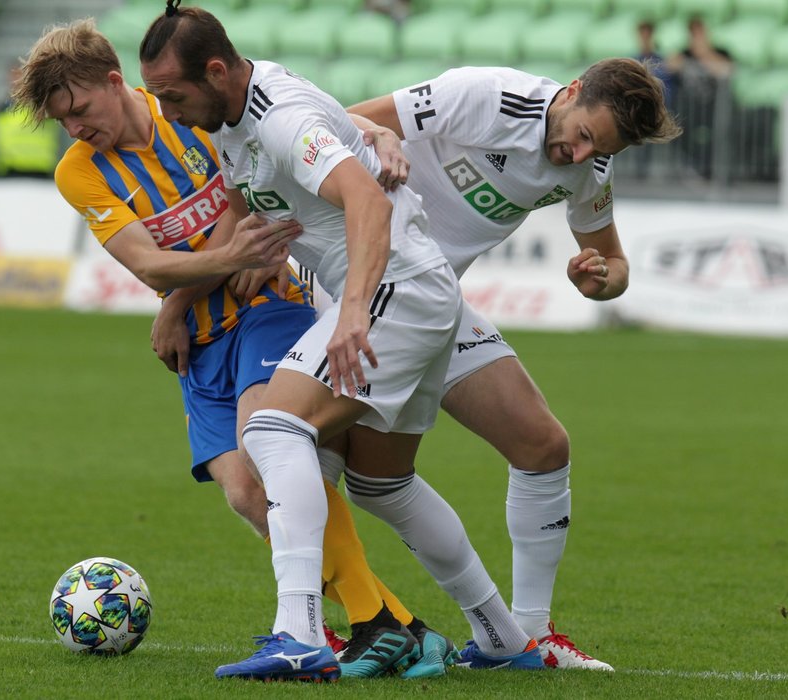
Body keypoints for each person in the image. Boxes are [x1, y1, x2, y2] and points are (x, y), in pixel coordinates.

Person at [12, 18, 456, 680]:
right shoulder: (79, 172)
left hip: (266, 306)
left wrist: (383, 134)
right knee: (249, 494)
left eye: (77, 110)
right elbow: (154, 264)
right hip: (197, 342)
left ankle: (354, 626)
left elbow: (250, 191)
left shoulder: (186, 108)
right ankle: (398, 626)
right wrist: (189, 290)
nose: (74, 129)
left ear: (113, 82)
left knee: (267, 441)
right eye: (61, 122)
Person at [140, 1, 544, 681]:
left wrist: (353, 309)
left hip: (397, 288)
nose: (169, 111)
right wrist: (210, 280)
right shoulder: (232, 117)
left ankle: (297, 633)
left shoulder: (279, 117)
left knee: (272, 431)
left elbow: (365, 199)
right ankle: (502, 635)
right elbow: (252, 199)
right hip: (418, 291)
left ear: (215, 70)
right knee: (382, 483)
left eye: (173, 95)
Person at [343, 57, 682, 671]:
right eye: (580, 136)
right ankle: (319, 624)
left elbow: (614, 263)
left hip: (433, 300)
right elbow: (339, 127)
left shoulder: (591, 168)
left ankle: (526, 635)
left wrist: (599, 279)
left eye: (598, 149)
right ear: (571, 90)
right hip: (353, 282)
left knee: (542, 446)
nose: (577, 156)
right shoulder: (488, 97)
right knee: (331, 464)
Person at [666, 15, 733, 179]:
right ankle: (693, 166)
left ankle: (710, 169)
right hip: (689, 107)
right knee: (674, 128)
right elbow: (669, 67)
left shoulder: (720, 51)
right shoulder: (684, 53)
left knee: (720, 133)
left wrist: (704, 55)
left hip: (714, 106)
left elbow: (727, 71)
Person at [0, 62, 62, 178]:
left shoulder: (42, 106)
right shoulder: (2, 109)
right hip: (9, 171)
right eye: (13, 77)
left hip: (39, 171)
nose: (16, 81)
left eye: (20, 76)